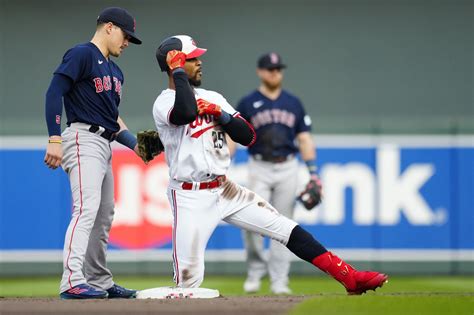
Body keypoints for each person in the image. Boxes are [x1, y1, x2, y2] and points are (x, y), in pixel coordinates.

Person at [152, 35, 388, 295]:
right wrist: (177, 72)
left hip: (225, 188)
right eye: (192, 58)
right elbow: (185, 112)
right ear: (176, 62)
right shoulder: (164, 102)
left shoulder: (213, 97)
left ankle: (350, 277)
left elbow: (248, 135)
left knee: (286, 229)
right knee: (188, 283)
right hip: (189, 195)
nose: (199, 63)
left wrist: (222, 114)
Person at [44, 7, 143, 299]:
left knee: (103, 216)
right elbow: (54, 92)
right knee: (86, 209)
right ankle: (72, 280)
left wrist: (137, 145)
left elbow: (113, 120)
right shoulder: (82, 54)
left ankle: (98, 281)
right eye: (126, 36)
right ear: (109, 27)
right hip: (81, 138)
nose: (127, 43)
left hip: (103, 143)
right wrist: (54, 137)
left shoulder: (116, 71)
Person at [233, 52, 318, 294]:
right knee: (250, 220)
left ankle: (280, 279)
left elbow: (304, 138)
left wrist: (314, 173)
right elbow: (232, 136)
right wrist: (224, 163)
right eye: (270, 69)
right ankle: (256, 271)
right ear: (260, 72)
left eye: (278, 69)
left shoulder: (293, 103)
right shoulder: (247, 103)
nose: (275, 73)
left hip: (288, 166)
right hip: (259, 165)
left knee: (285, 225)